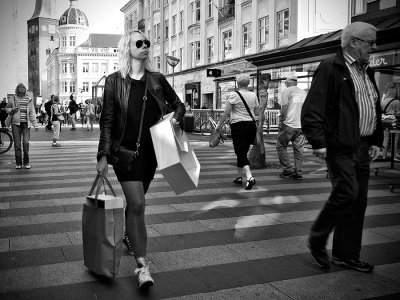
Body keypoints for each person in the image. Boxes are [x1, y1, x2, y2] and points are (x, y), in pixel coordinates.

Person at [96, 30, 185, 289]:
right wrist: (103, 155)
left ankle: (128, 235)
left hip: (151, 153)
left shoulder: (156, 79)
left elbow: (178, 105)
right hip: (124, 154)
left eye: (147, 42)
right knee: (138, 204)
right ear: (128, 47)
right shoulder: (114, 81)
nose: (145, 45)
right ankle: (142, 266)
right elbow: (108, 121)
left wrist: (175, 118)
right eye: (139, 43)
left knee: (135, 205)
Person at [301, 22, 383, 272]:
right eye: (371, 42)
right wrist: (318, 142)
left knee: (358, 201)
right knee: (347, 192)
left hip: (362, 145)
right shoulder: (331, 67)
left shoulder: (365, 71)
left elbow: (372, 105)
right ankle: (317, 238)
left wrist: (376, 140)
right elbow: (312, 108)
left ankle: (345, 255)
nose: (374, 47)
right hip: (339, 145)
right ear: (354, 42)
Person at [215, 73, 259, 190]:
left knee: (240, 151)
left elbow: (226, 113)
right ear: (248, 83)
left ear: (237, 83)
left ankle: (249, 178)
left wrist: (218, 125)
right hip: (251, 125)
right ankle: (239, 177)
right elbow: (257, 112)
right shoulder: (253, 95)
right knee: (243, 151)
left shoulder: (233, 95)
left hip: (238, 126)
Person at [276, 74, 307, 180]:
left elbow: (284, 108)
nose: (285, 84)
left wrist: (281, 121)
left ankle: (287, 170)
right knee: (299, 150)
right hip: (300, 126)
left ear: (288, 82)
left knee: (281, 146)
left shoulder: (287, 91)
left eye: (285, 82)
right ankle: (298, 172)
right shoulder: (304, 93)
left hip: (289, 124)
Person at [5, 83, 38, 169]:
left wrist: (35, 124)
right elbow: (6, 109)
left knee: (26, 143)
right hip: (15, 124)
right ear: (17, 89)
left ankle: (26, 162)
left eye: (24, 87)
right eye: (20, 87)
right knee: (17, 144)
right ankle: (18, 163)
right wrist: (12, 109)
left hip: (26, 124)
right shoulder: (13, 98)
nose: (22, 88)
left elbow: (32, 112)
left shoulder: (29, 99)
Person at [380, 83, 400, 160]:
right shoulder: (396, 102)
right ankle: (394, 156)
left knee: (385, 139)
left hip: (384, 122)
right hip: (393, 123)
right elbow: (398, 113)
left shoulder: (384, 101)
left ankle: (384, 156)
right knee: (394, 140)